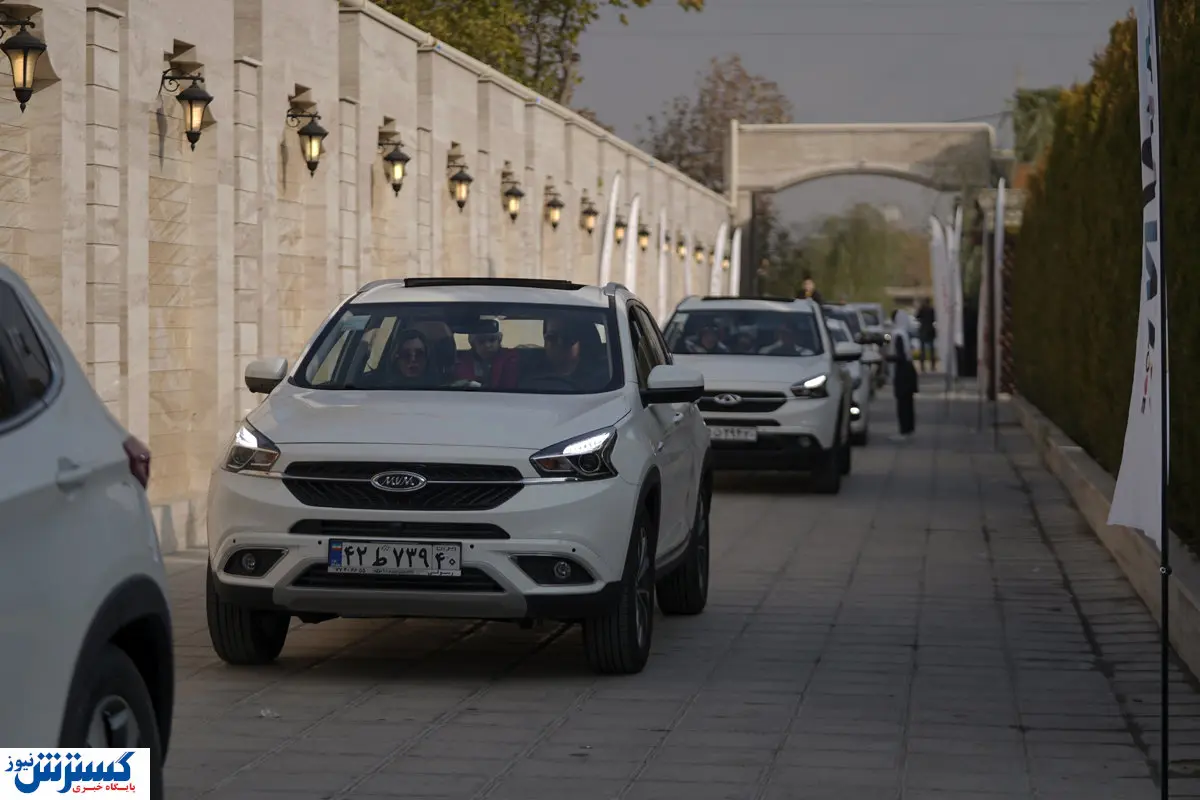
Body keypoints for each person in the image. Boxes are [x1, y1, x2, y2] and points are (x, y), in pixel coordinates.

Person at [454, 319, 518, 388]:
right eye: (481, 341)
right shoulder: (462, 361)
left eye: (492, 340)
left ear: (499, 341)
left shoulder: (510, 358)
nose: (487, 345)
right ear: (473, 344)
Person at [888, 309, 918, 440]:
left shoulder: (897, 334)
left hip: (902, 372)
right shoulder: (904, 334)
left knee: (903, 403)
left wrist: (887, 358)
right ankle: (908, 429)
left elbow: (899, 356)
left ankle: (903, 430)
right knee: (908, 402)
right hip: (909, 370)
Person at [916, 298, 936, 372]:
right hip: (930, 329)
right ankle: (932, 366)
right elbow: (934, 318)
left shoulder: (922, 309)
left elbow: (917, 317)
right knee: (931, 349)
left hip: (923, 329)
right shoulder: (932, 309)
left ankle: (922, 366)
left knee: (922, 350)